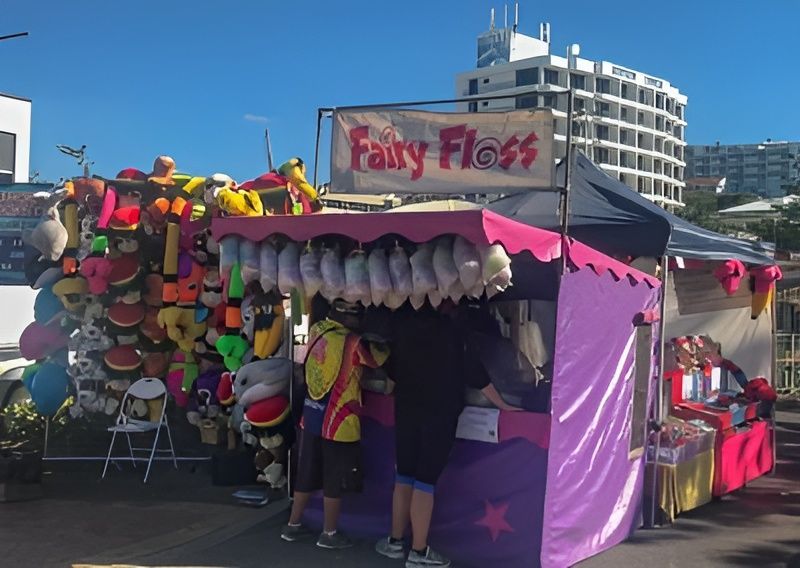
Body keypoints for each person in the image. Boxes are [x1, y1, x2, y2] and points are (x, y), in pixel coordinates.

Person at [376, 302, 518, 567]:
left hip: (406, 411)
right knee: (424, 481)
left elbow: (391, 374)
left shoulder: (404, 328)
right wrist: (503, 405)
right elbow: (476, 374)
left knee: (404, 475)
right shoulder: (453, 333)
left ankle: (395, 542)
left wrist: (387, 393)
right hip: (439, 415)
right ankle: (418, 552)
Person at [281, 299, 389, 549]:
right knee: (333, 478)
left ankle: (293, 525)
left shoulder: (317, 329)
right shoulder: (353, 342)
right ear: (350, 318)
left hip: (311, 415)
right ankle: (329, 534)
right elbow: (378, 359)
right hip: (339, 421)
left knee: (306, 473)